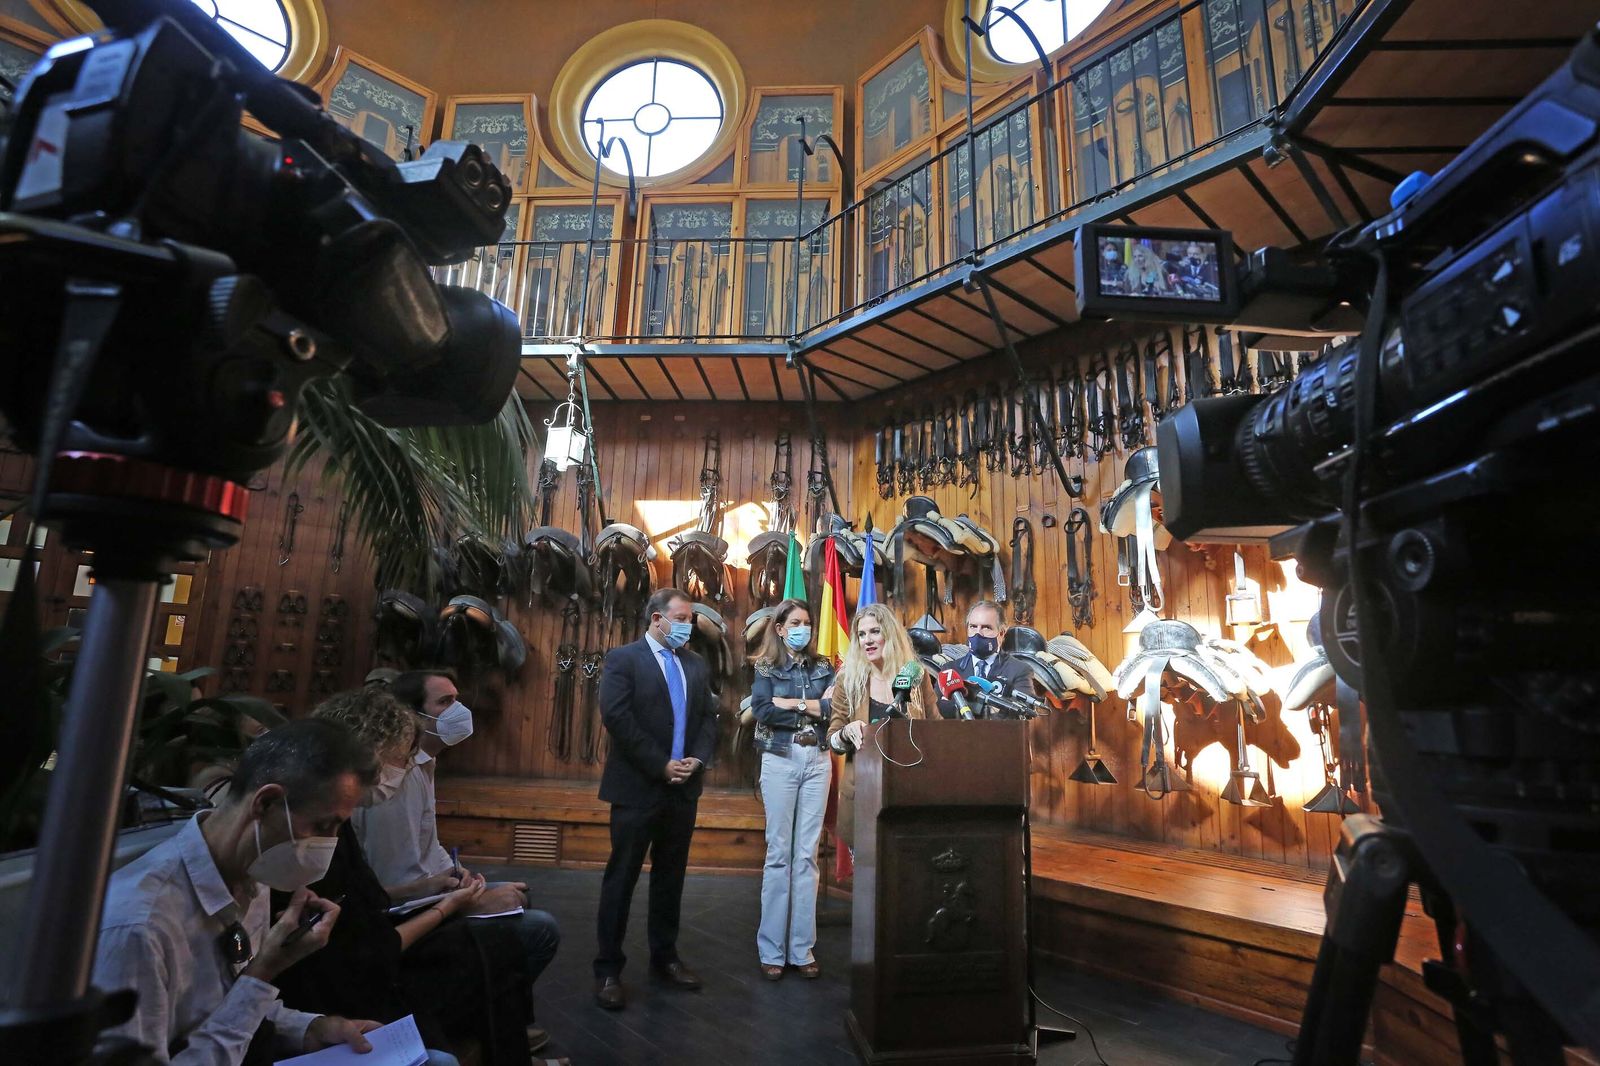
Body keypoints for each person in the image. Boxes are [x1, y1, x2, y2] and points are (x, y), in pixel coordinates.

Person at [277, 688, 562, 1066]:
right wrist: (448, 908)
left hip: (383, 936)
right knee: (499, 940)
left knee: (499, 937)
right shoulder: (320, 822)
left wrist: (431, 887)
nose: (406, 765)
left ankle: (505, 1047)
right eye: (401, 757)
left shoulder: (353, 810)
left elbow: (371, 898)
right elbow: (367, 949)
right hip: (353, 979)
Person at [93, 719, 382, 1066]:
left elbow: (232, 1004)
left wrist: (309, 1029)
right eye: (322, 826)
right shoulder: (140, 926)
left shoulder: (254, 875)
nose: (328, 844)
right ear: (266, 802)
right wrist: (263, 971)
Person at [353, 668, 561, 1051]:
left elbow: (426, 850)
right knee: (539, 927)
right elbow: (392, 890)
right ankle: (477, 1027)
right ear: (414, 716)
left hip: (436, 893)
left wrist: (458, 875)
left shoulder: (425, 762)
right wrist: (466, 904)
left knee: (518, 898)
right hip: (408, 913)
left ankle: (495, 1021)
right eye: (445, 702)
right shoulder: (395, 781)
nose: (459, 710)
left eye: (457, 699)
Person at [592, 587, 719, 1010]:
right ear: (656, 619)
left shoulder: (696, 664)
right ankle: (608, 968)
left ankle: (665, 958)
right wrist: (660, 764)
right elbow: (617, 717)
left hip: (683, 791)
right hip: (637, 788)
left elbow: (706, 717)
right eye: (680, 618)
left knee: (671, 878)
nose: (688, 625)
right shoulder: (623, 659)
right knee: (621, 878)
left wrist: (696, 759)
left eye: (690, 619)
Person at [749, 598, 835, 981]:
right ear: (780, 629)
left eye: (808, 622)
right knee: (779, 854)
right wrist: (811, 706)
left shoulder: (824, 666)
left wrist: (793, 701)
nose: (804, 628)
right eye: (795, 622)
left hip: (818, 759)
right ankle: (772, 950)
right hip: (781, 760)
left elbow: (835, 709)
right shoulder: (764, 666)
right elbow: (764, 710)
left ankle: (802, 949)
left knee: (807, 856)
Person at [825, 604, 935, 854]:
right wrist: (845, 733)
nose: (867, 640)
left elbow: (935, 730)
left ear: (890, 634)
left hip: (910, 795)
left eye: (874, 632)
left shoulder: (916, 676)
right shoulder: (848, 680)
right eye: (861, 634)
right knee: (869, 885)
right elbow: (832, 739)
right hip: (864, 796)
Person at [935, 600, 1037, 720]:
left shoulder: (1019, 670)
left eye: (986, 627)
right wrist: (990, 709)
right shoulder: (949, 670)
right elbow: (938, 710)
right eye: (973, 626)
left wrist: (961, 706)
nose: (978, 633)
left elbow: (1021, 714)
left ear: (1001, 633)